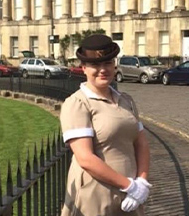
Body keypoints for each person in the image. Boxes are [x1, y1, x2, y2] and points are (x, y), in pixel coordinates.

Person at [60, 34, 151, 216]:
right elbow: (85, 158)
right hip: (96, 196)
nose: (103, 69)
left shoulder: (126, 101)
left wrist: (142, 182)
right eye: (95, 65)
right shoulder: (77, 103)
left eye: (108, 63)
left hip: (130, 195)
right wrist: (129, 185)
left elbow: (141, 143)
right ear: (84, 67)